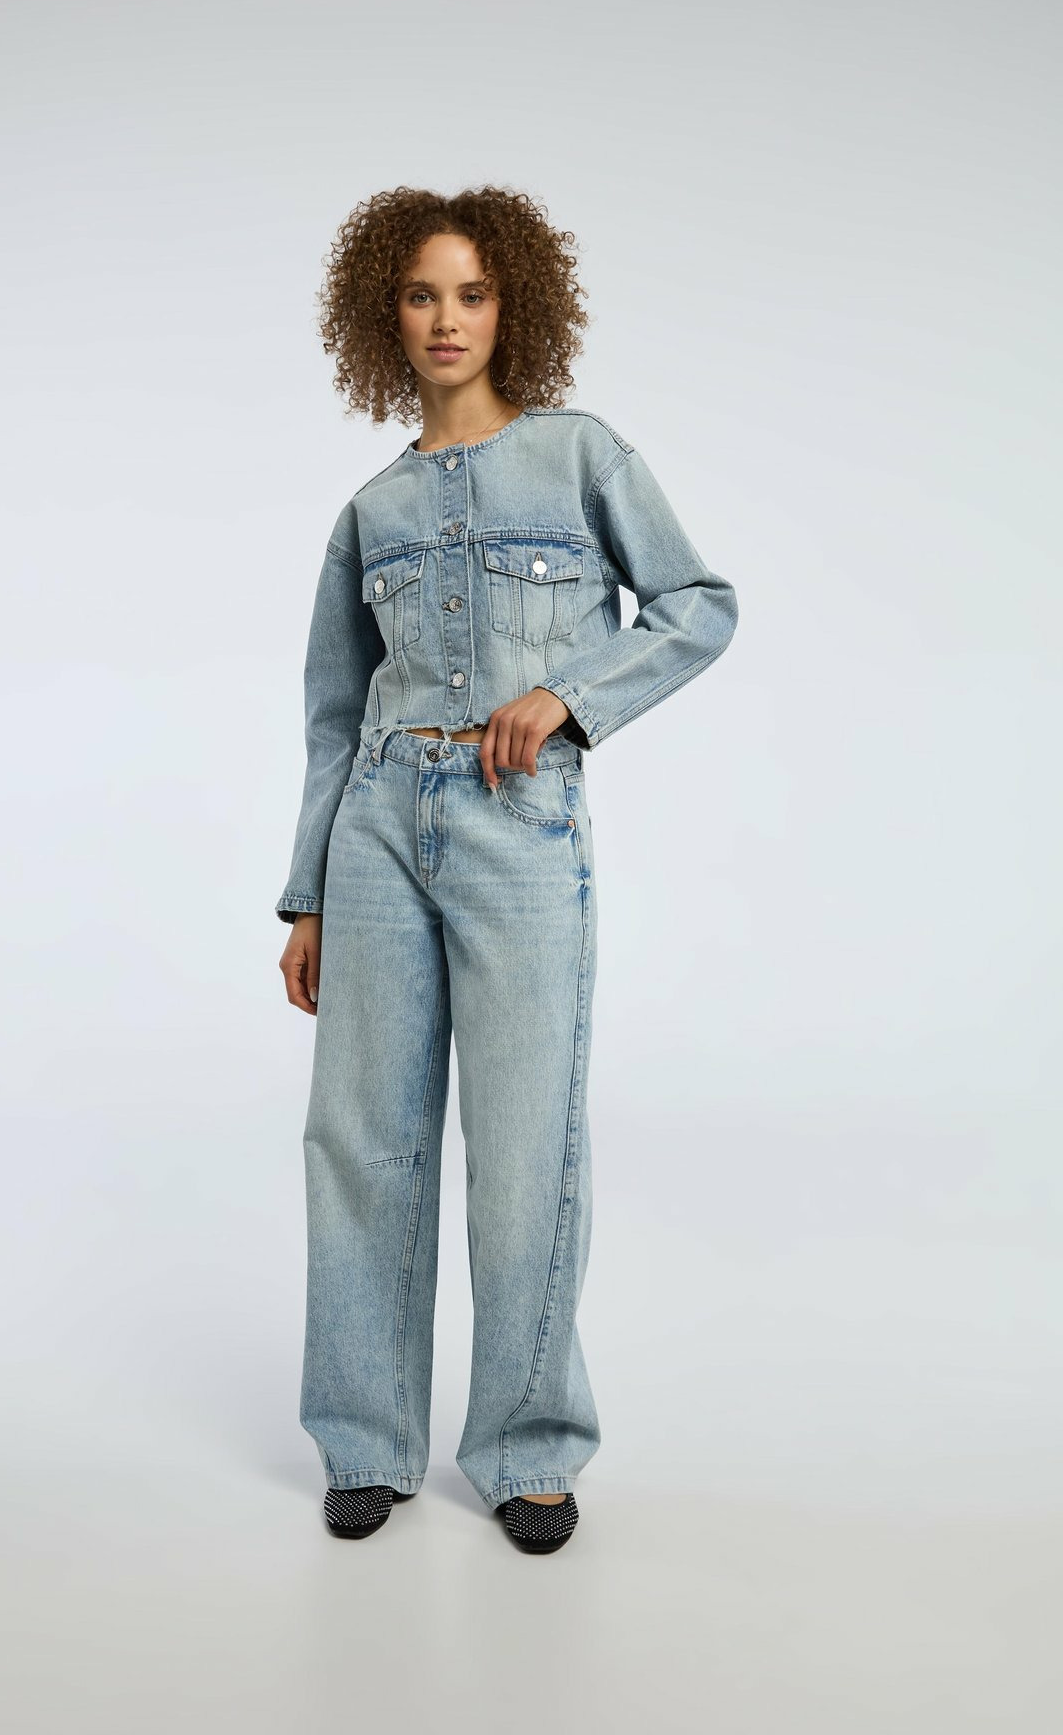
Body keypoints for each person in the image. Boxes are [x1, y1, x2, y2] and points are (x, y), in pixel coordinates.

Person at [276, 185, 739, 1552]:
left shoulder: (579, 455)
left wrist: (571, 698)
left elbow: (698, 606)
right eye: (422, 294)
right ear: (385, 315)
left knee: (528, 1143)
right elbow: (332, 715)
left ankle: (530, 1449)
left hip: (518, 830)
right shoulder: (370, 508)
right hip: (374, 831)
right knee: (360, 1141)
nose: (447, 319)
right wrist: (306, 896)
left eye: (472, 294)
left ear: (511, 308)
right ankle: (366, 1442)